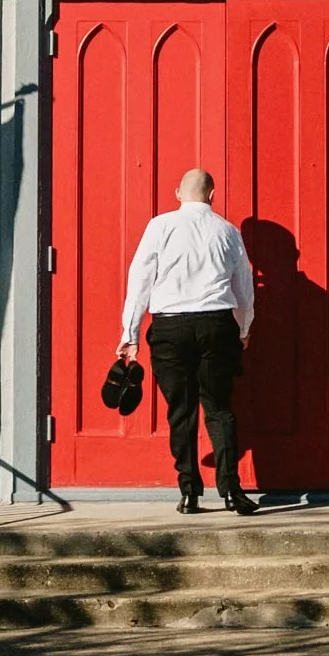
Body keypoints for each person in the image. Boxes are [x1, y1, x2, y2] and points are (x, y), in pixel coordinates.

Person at [119, 165, 257, 513]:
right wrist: (243, 328)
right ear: (212, 194)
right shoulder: (228, 231)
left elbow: (140, 280)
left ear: (178, 194)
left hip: (170, 327)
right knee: (220, 409)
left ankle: (189, 492)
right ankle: (231, 491)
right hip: (215, 325)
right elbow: (244, 287)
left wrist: (130, 333)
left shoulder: (160, 226)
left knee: (181, 412)